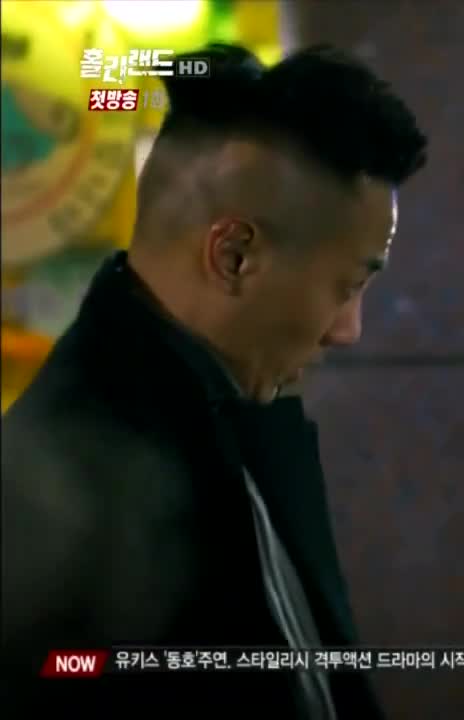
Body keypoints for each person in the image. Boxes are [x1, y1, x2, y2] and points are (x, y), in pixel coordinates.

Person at [1, 43, 427, 717]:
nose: (348, 330)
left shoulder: (221, 428)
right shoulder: (64, 501)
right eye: (347, 286)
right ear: (233, 256)